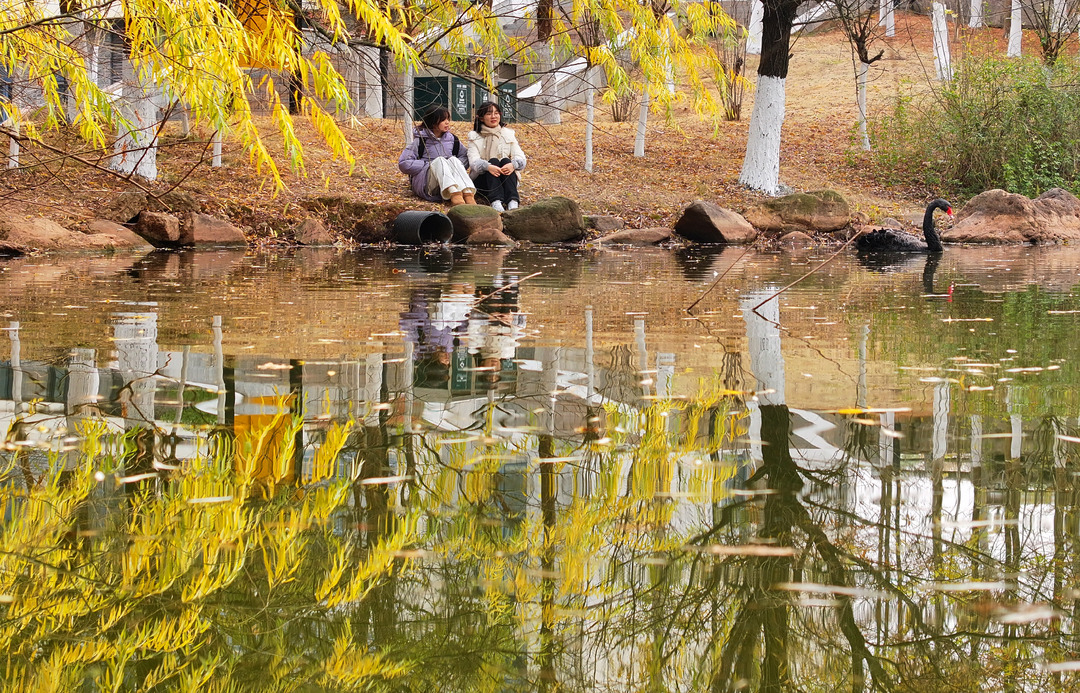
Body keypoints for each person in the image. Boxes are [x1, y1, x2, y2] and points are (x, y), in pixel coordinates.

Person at [398, 105, 477, 206]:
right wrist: (428, 165)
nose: (447, 122)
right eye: (443, 120)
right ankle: (453, 193)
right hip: (427, 185)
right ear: (433, 122)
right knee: (440, 160)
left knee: (453, 159)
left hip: (449, 183)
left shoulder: (452, 139)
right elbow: (404, 163)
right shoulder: (421, 140)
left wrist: (450, 167)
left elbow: (465, 157)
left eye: (448, 119)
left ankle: (467, 193)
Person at [467, 101, 527, 212]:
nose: (493, 116)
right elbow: (473, 162)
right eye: (489, 113)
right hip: (483, 181)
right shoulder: (474, 136)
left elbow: (521, 158)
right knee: (493, 161)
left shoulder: (508, 134)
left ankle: (512, 202)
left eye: (496, 113)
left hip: (506, 179)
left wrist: (513, 165)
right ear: (481, 118)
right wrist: (488, 167)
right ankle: (496, 201)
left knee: (505, 160)